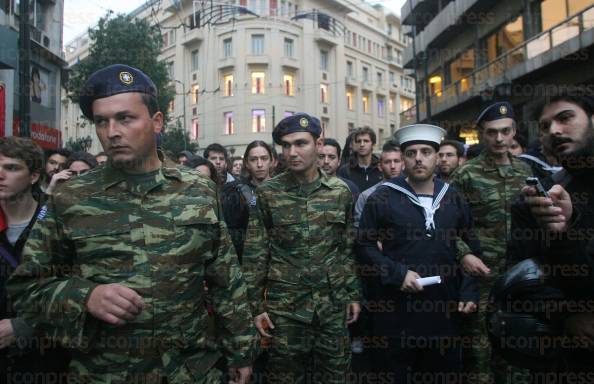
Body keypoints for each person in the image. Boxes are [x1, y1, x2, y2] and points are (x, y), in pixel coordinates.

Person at [7, 64, 255, 383]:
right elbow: (27, 287)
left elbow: (225, 280)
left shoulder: (199, 191)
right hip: (104, 372)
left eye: (125, 118)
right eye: (101, 121)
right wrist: (85, 296)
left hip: (188, 371)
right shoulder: (70, 199)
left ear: (156, 122)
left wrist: (241, 351)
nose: (112, 132)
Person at [243, 113, 361, 384]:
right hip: (285, 311)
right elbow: (255, 255)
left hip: (331, 308)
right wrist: (255, 307)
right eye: (285, 146)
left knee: (335, 377)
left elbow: (345, 248)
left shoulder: (339, 192)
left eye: (300, 143)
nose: (292, 152)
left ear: (318, 144)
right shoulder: (268, 194)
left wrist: (353, 294)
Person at [357, 124, 481, 383]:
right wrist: (396, 273)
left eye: (426, 152)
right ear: (403, 159)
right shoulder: (383, 197)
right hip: (396, 312)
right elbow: (364, 246)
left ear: (437, 157)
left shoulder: (454, 197)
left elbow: (472, 247)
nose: (419, 158)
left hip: (444, 311)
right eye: (412, 153)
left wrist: (469, 290)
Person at [506, 90, 594, 379]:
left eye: (565, 118)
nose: (555, 130)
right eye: (545, 127)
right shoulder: (535, 202)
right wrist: (568, 315)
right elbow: (523, 279)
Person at [450, 101, 533, 383]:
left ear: (514, 132)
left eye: (505, 131)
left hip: (521, 275)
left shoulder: (527, 173)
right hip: (482, 275)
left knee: (519, 344)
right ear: (482, 134)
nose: (499, 138)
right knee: (479, 351)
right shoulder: (466, 174)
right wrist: (463, 255)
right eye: (491, 132)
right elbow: (448, 224)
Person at [0, 137, 70, 382]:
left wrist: (25, 326)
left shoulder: (60, 222)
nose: (0, 175)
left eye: (11, 168)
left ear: (33, 176)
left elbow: (80, 291)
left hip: (46, 363)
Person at [221, 141, 273, 261]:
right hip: (248, 258)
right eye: (254, 159)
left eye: (264, 158)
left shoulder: (284, 189)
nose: (259, 164)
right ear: (247, 164)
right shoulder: (236, 191)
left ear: (272, 161)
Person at [353, 142, 403, 227]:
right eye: (387, 162)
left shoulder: (413, 193)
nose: (393, 166)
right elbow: (359, 229)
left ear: (403, 165)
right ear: (380, 166)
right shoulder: (366, 196)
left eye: (396, 161)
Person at [337, 127, 383, 192]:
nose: (362, 144)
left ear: (373, 145)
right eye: (359, 141)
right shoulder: (345, 171)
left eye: (366, 141)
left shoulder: (381, 169)